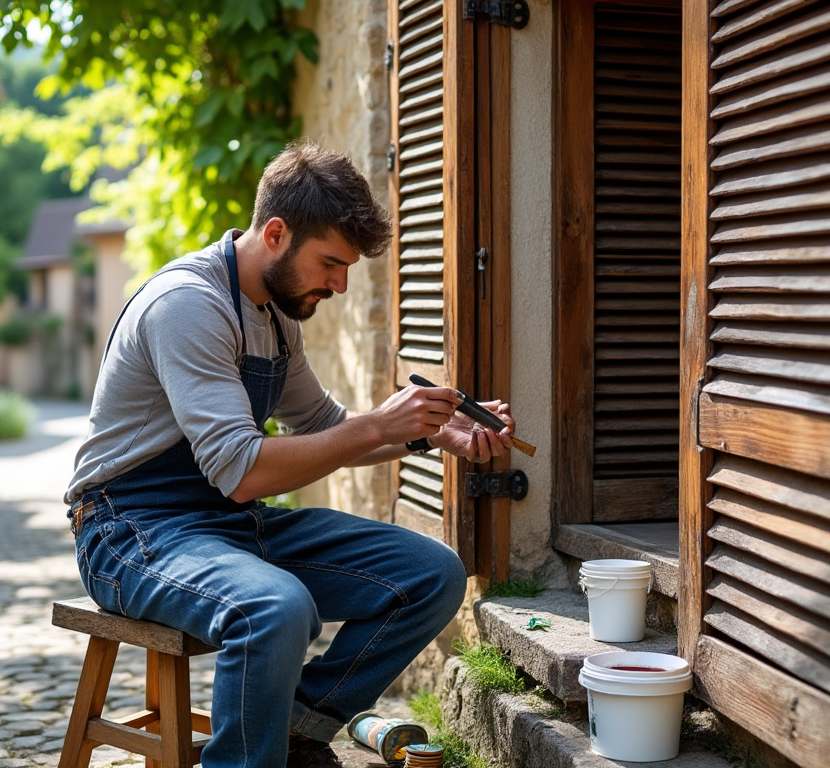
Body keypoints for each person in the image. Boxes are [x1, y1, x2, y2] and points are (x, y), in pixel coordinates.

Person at [63, 141, 515, 768]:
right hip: (131, 530)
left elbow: (324, 427)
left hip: (226, 525)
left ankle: (297, 732)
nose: (341, 284)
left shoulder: (275, 318)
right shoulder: (188, 305)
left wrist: (431, 433)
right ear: (275, 234)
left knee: (431, 574)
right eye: (330, 263)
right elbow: (243, 471)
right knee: (275, 608)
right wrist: (377, 426)